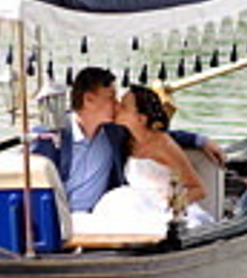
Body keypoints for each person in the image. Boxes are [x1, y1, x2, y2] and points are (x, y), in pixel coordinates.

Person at [32, 67, 220, 214]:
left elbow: (154, 134)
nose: (117, 105)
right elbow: (32, 189)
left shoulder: (115, 131)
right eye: (111, 98)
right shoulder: (50, 136)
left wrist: (200, 140)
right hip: (61, 219)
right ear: (89, 99)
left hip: (103, 216)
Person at [70, 85, 214, 237]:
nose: (117, 107)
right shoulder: (125, 137)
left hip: (159, 207)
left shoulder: (163, 144)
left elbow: (198, 189)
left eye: (124, 106)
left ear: (140, 118)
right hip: (130, 204)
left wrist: (170, 206)